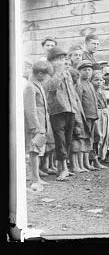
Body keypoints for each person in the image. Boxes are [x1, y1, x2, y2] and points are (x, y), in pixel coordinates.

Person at [45, 47, 77, 181]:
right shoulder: (49, 73)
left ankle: (63, 167)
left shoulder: (67, 73)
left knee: (68, 139)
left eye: (63, 58)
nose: (62, 61)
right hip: (57, 110)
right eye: (59, 59)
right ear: (52, 61)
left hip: (70, 109)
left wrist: (75, 106)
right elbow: (51, 87)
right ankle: (62, 168)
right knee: (60, 140)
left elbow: (72, 91)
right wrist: (58, 72)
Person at [24, 61, 53, 191]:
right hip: (35, 126)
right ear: (40, 73)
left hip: (42, 123)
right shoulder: (30, 86)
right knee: (33, 151)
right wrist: (34, 126)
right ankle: (34, 178)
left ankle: (36, 177)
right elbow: (30, 109)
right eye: (46, 75)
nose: (47, 78)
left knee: (37, 151)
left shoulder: (38, 85)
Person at [75, 60, 101, 171]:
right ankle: (83, 163)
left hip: (93, 115)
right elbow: (78, 102)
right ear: (79, 71)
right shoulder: (80, 84)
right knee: (84, 139)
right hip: (85, 117)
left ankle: (89, 162)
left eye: (89, 70)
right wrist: (80, 117)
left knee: (91, 139)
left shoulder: (90, 83)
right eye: (84, 70)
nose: (87, 72)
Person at [90, 71, 109, 167]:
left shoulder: (102, 93)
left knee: (102, 137)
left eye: (101, 80)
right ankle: (92, 160)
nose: (99, 82)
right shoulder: (91, 92)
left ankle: (98, 158)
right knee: (95, 137)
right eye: (96, 80)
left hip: (103, 116)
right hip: (96, 116)